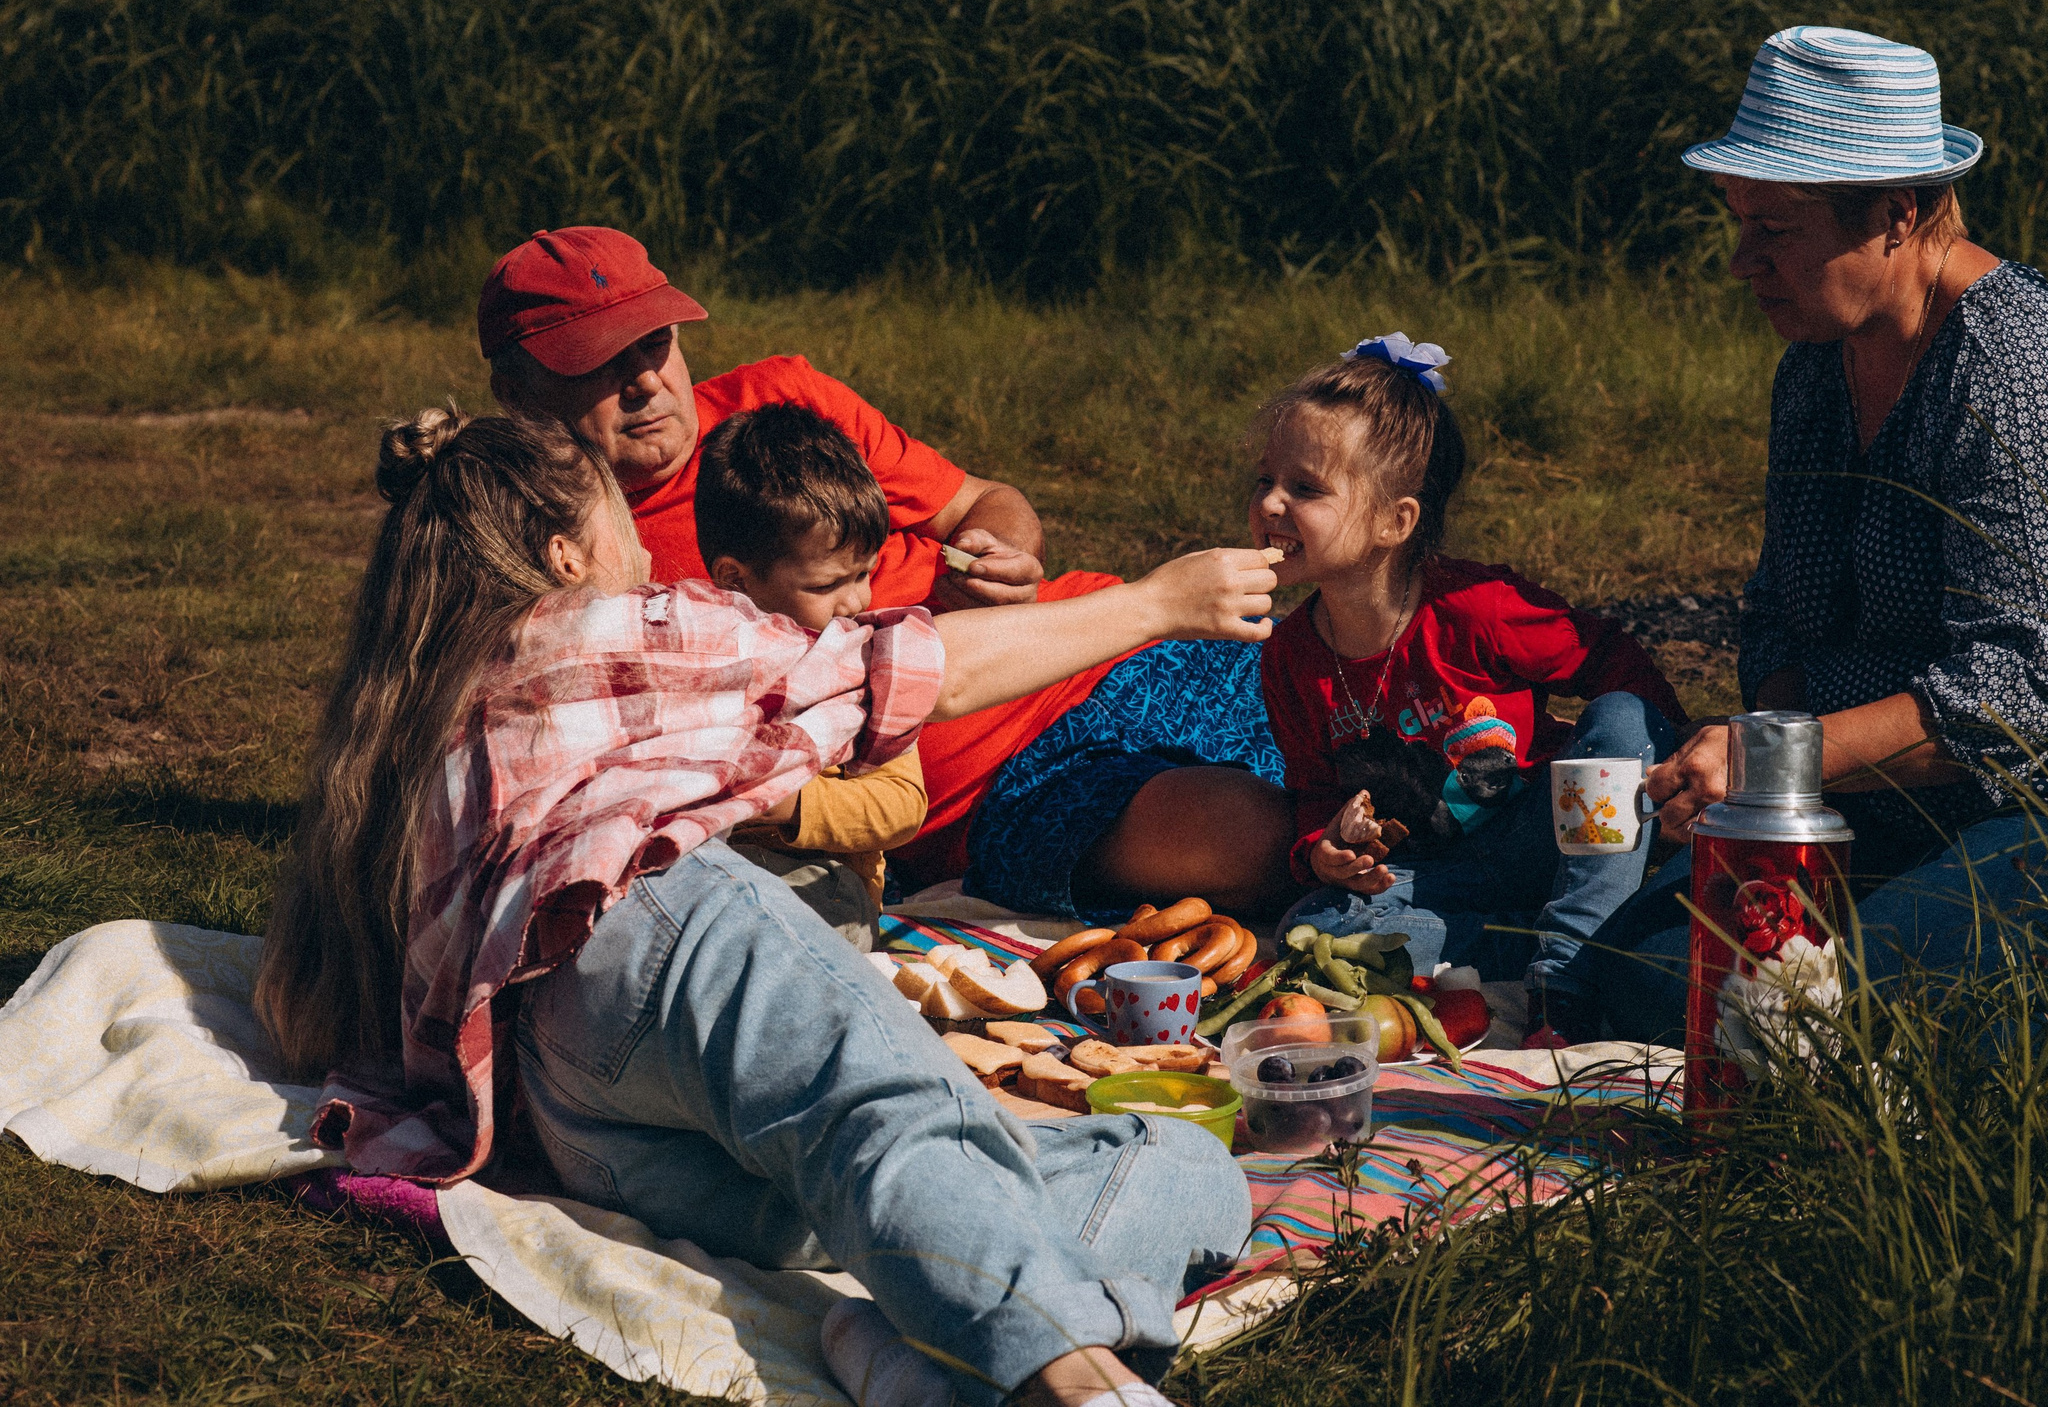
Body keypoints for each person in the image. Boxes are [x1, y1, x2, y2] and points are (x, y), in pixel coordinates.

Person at [253, 407, 1285, 1407]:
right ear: (568, 555)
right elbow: (909, 672)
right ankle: (1069, 1379)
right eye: (617, 513)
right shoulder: (605, 627)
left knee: (1182, 1166)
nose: (642, 548)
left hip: (588, 1128)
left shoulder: (412, 708)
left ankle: (908, 1357)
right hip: (642, 930)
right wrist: (1156, 603)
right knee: (895, 1114)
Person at [1588, 26, 2048, 1041]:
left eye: (1776, 228)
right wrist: (1770, 808)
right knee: (1622, 977)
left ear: (1898, 213)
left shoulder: (2017, 372)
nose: (1741, 261)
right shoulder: (1814, 365)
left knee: (1774, 1017)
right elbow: (1779, 616)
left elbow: (2022, 690)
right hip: (1874, 807)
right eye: (1737, 222)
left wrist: (1771, 760)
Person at [477, 227, 1294, 916]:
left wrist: (1001, 555)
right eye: (601, 361)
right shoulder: (554, 554)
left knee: (1365, 736)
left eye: (656, 342)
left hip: (1101, 641)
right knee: (1264, 835)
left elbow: (982, 500)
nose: (647, 380)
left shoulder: (782, 407)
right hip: (988, 782)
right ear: (516, 393)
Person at [1251, 337, 1688, 1043]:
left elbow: (1612, 660)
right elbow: (1312, 795)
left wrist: (1660, 768)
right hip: (1430, 877)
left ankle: (1568, 967)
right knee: (1311, 930)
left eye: (1304, 488)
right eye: (1264, 480)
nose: (1270, 502)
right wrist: (1325, 848)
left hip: (1543, 835)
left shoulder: (1475, 606)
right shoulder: (1290, 658)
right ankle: (1564, 940)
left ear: (1396, 521)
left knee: (1623, 718)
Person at [698, 402, 931, 949]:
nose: (856, 600)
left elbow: (902, 802)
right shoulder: (699, 651)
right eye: (828, 586)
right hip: (706, 859)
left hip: (820, 877)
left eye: (864, 574)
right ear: (735, 579)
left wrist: (788, 805)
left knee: (829, 916)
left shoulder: (870, 662)